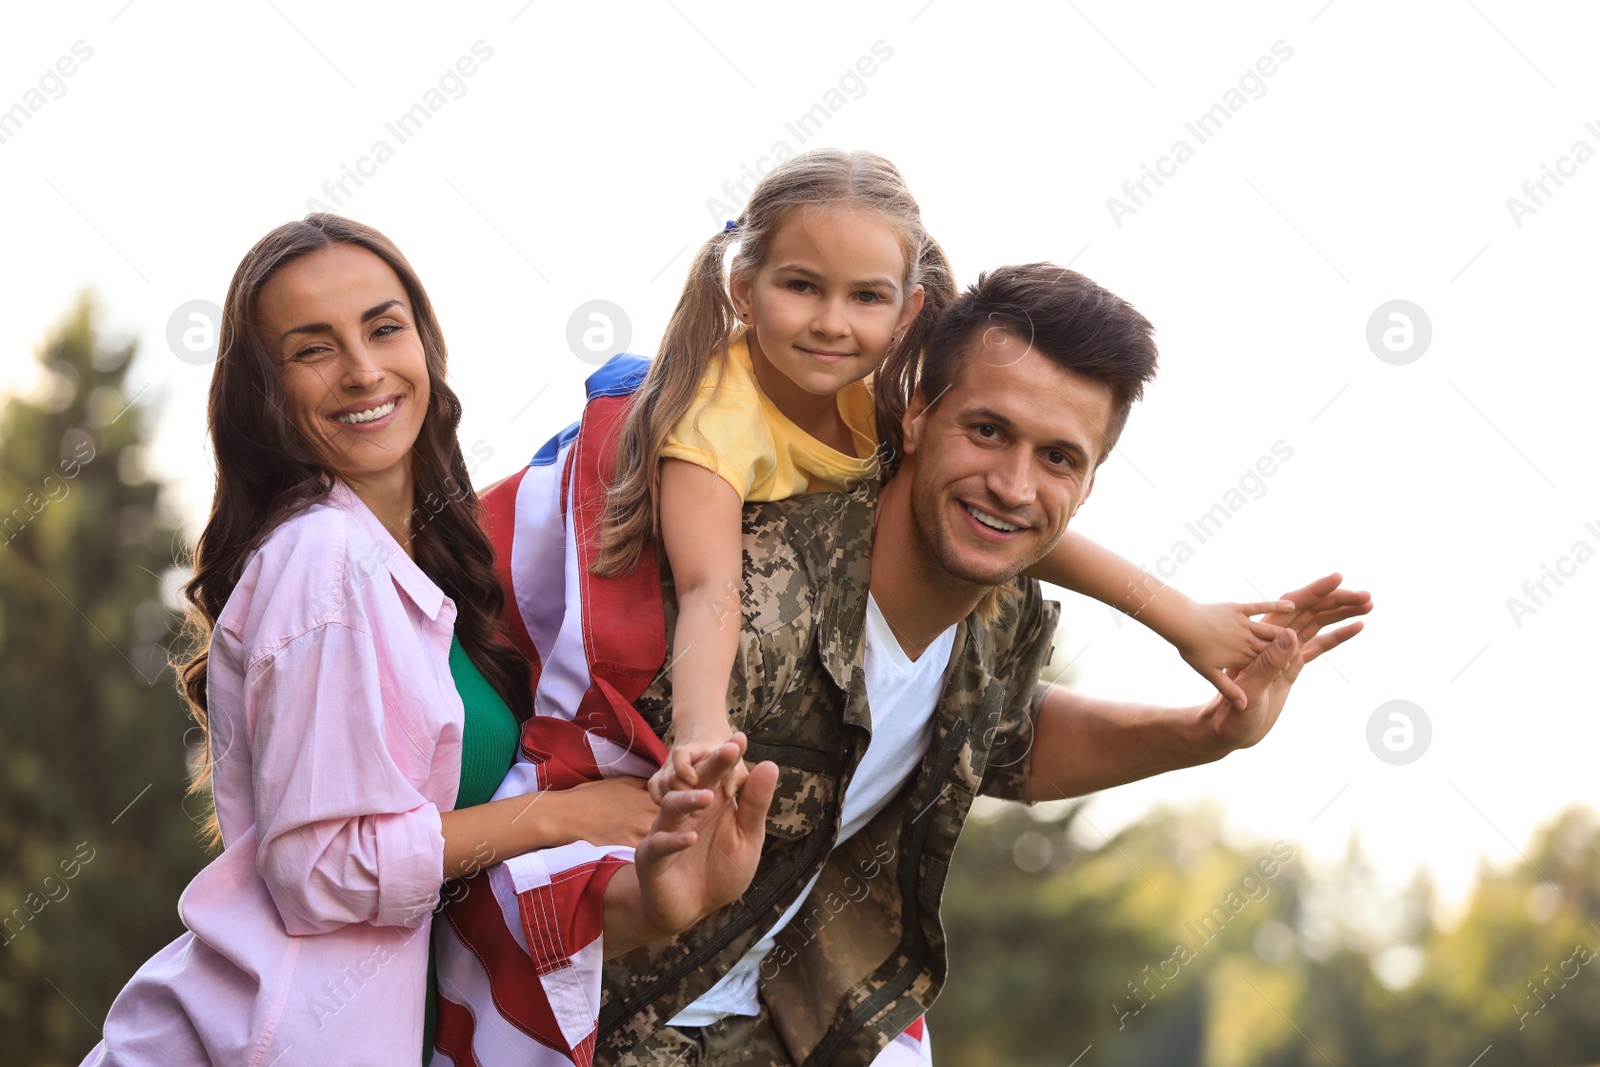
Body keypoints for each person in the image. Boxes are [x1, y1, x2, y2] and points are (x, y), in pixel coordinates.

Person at [438, 262, 1371, 1065]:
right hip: (584, 1032)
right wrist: (652, 898)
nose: (1013, 484)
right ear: (916, 412)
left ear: (1090, 485)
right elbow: (531, 849)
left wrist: (1211, 732)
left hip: (798, 1027)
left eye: (1058, 457)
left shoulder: (995, 623)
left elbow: (1004, 741)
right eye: (989, 431)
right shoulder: (731, 600)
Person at [80, 214, 778, 1067]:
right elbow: (322, 869)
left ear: (424, 342)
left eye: (383, 328)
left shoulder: (423, 567)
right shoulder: (322, 557)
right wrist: (558, 815)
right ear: (265, 389)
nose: (364, 369)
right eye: (313, 348)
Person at [595, 149, 1295, 810]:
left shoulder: (867, 406)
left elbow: (998, 719)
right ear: (745, 289)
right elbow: (705, 589)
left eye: (865, 296)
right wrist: (702, 728)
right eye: (802, 285)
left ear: (906, 314)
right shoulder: (719, 448)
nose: (832, 323)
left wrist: (1191, 640)